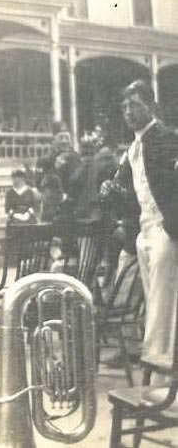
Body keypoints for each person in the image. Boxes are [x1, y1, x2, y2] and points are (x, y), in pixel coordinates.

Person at [101, 79, 178, 378]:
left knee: (162, 299)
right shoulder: (132, 150)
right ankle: (157, 363)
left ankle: (159, 367)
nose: (129, 111)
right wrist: (113, 191)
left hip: (165, 228)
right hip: (143, 230)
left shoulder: (167, 138)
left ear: (152, 106)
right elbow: (131, 192)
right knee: (152, 296)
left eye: (135, 104)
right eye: (124, 107)